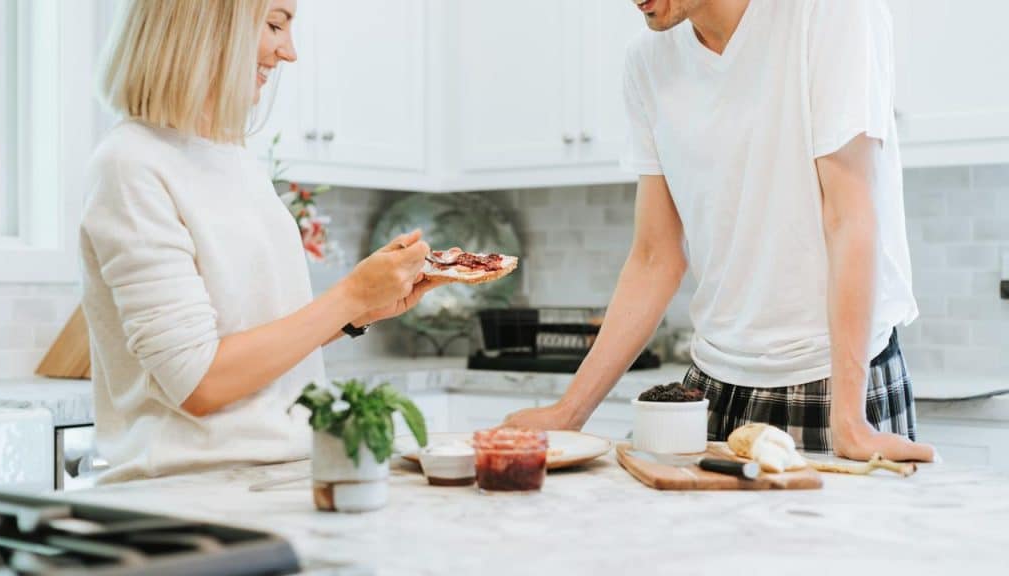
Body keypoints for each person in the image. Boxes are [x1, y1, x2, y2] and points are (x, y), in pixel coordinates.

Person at [505, 0, 936, 462]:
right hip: (711, 383)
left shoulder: (829, 14)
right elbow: (655, 256)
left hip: (829, 382)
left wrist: (850, 423)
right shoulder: (648, 62)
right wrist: (568, 414)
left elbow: (850, 221)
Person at [80, 0, 446, 483]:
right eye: (275, 24)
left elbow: (251, 337)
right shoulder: (130, 164)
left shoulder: (235, 160)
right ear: (205, 23)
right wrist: (350, 294)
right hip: (190, 494)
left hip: (282, 475)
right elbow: (200, 382)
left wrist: (360, 312)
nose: (289, 52)